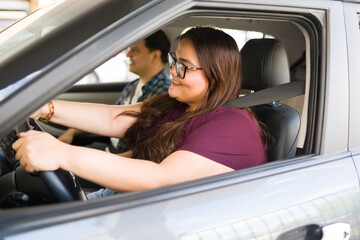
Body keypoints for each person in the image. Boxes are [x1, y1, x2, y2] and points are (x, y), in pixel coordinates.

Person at [12, 26, 268, 198]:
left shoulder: (233, 125)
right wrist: (43, 108)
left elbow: (162, 179)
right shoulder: (178, 104)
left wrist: (61, 154)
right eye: (174, 61)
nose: (172, 72)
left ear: (217, 75)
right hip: (129, 200)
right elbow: (114, 118)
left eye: (184, 67)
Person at [58, 30, 171, 153]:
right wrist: (72, 131)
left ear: (155, 56)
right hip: (109, 149)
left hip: (121, 160)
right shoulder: (132, 86)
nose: (128, 54)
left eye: (135, 50)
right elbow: (110, 118)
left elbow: (148, 148)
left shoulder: (164, 93)